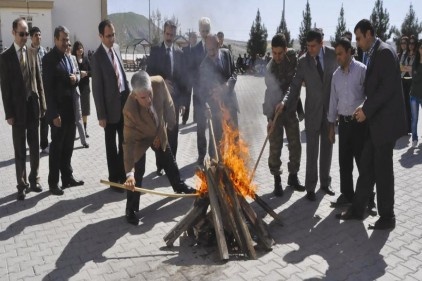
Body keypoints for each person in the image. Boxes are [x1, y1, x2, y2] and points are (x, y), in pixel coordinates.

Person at [336, 19, 406, 230]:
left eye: (358, 38)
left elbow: (386, 89)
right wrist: (365, 107)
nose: (357, 43)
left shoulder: (384, 52)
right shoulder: (376, 52)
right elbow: (376, 89)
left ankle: (388, 216)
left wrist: (366, 110)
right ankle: (358, 209)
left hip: (384, 124)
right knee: (367, 165)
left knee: (383, 171)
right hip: (376, 123)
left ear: (368, 34)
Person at [123, 71, 195, 225]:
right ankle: (131, 209)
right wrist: (129, 173)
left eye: (150, 94)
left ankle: (179, 185)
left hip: (158, 130)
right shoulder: (129, 109)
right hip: (140, 139)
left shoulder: (158, 82)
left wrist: (170, 124)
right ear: (135, 96)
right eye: (143, 97)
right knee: (138, 172)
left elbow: (169, 104)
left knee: (168, 159)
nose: (148, 99)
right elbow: (128, 143)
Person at [279, 28, 338, 202]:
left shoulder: (333, 55)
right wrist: (285, 102)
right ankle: (310, 187)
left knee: (327, 148)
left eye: (313, 46)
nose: (310, 49)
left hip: (329, 112)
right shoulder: (303, 61)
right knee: (312, 151)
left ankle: (325, 183)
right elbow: (295, 85)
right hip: (312, 112)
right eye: (307, 46)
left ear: (322, 42)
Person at [0, 18, 46, 200]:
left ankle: (34, 179)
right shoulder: (5, 57)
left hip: (33, 107)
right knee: (19, 149)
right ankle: (22, 184)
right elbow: (5, 89)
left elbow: (39, 80)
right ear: (13, 32)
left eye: (27, 33)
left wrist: (43, 104)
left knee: (34, 148)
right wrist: (8, 114)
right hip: (17, 112)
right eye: (22, 34)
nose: (25, 37)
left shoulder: (33, 53)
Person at [42, 25, 84, 195]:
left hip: (70, 110)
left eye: (67, 39)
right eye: (63, 39)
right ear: (55, 39)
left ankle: (67, 178)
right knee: (56, 148)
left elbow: (76, 74)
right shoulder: (49, 59)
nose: (66, 42)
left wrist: (76, 78)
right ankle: (53, 183)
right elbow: (48, 89)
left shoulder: (68, 57)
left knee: (68, 147)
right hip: (58, 113)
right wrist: (53, 114)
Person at [327, 37, 369, 206]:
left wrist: (364, 109)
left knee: (363, 162)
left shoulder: (362, 70)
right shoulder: (336, 76)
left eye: (340, 54)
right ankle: (347, 195)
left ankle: (368, 198)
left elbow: (370, 95)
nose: (338, 57)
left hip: (359, 123)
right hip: (343, 124)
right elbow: (332, 101)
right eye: (336, 54)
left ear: (350, 52)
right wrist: (331, 126)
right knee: (344, 162)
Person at [263, 33, 305, 197]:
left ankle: (293, 177)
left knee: (295, 144)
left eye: (280, 53)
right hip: (276, 111)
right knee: (275, 146)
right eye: (274, 53)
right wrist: (270, 119)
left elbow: (295, 82)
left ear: (286, 50)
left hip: (291, 109)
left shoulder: (293, 57)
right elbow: (269, 95)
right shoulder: (270, 69)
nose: (277, 56)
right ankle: (277, 180)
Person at [91, 19, 129, 193]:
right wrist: (101, 115)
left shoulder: (117, 49)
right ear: (100, 36)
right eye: (108, 36)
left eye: (113, 35)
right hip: (108, 109)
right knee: (111, 146)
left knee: (124, 143)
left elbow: (122, 76)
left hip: (123, 103)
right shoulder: (97, 57)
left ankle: (123, 175)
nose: (112, 39)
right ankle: (114, 179)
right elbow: (96, 88)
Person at [146, 20, 187, 175]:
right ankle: (160, 165)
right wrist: (162, 83)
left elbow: (183, 79)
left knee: (173, 132)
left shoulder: (179, 52)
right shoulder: (155, 50)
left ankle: (172, 163)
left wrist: (183, 102)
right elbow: (149, 74)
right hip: (159, 100)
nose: (169, 37)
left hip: (175, 100)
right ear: (163, 33)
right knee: (159, 133)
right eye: (167, 33)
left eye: (172, 34)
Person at [199, 34, 239, 160]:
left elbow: (234, 72)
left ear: (219, 45)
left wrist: (228, 84)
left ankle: (234, 170)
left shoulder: (227, 54)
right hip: (216, 108)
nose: (210, 53)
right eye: (208, 49)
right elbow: (202, 91)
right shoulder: (204, 65)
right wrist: (206, 105)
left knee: (234, 138)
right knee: (217, 141)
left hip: (231, 104)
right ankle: (217, 166)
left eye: (213, 49)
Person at [192, 17, 211, 164]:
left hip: (213, 95)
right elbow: (193, 75)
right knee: (200, 127)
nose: (205, 33)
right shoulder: (195, 50)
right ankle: (201, 154)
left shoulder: (214, 47)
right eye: (203, 30)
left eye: (207, 30)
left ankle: (212, 154)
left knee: (214, 127)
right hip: (199, 95)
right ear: (199, 31)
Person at [30, 26, 49, 154]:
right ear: (31, 37)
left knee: (44, 119)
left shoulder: (44, 52)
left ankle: (44, 144)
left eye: (40, 34)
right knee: (32, 121)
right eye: (36, 35)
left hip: (44, 91)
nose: (38, 37)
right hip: (32, 91)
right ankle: (33, 145)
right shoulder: (27, 52)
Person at [67, 43, 89, 148]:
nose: (68, 47)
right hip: (66, 94)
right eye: (66, 45)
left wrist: (76, 77)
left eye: (69, 45)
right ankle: (68, 141)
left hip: (76, 91)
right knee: (69, 120)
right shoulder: (60, 59)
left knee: (79, 117)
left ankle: (83, 141)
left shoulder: (73, 59)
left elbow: (78, 74)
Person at [72, 41, 91, 139]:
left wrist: (86, 73)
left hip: (85, 88)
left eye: (81, 48)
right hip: (76, 88)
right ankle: (76, 130)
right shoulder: (72, 59)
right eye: (78, 48)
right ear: (75, 50)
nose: (80, 50)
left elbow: (93, 72)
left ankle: (85, 129)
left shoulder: (86, 59)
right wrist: (79, 73)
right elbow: (71, 71)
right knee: (76, 110)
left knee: (85, 111)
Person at [181, 32, 198, 125]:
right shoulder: (184, 50)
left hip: (196, 79)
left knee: (196, 98)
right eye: (192, 37)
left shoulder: (199, 50)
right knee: (186, 99)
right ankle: (184, 118)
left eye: (195, 37)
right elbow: (182, 64)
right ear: (189, 39)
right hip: (187, 79)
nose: (194, 39)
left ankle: (196, 118)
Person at [399, 35, 413, 135]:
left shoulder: (410, 54)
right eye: (401, 43)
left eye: (404, 43)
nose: (403, 45)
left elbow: (410, 68)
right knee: (402, 105)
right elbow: (399, 67)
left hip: (409, 81)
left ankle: (409, 128)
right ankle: (404, 127)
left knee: (408, 105)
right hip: (402, 80)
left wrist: (403, 67)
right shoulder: (400, 54)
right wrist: (403, 67)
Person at [410, 39, 422, 147]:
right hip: (414, 95)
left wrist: (418, 74)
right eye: (421, 47)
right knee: (414, 119)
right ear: (418, 49)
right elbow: (414, 78)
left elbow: (417, 75)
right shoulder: (416, 62)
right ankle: (414, 139)